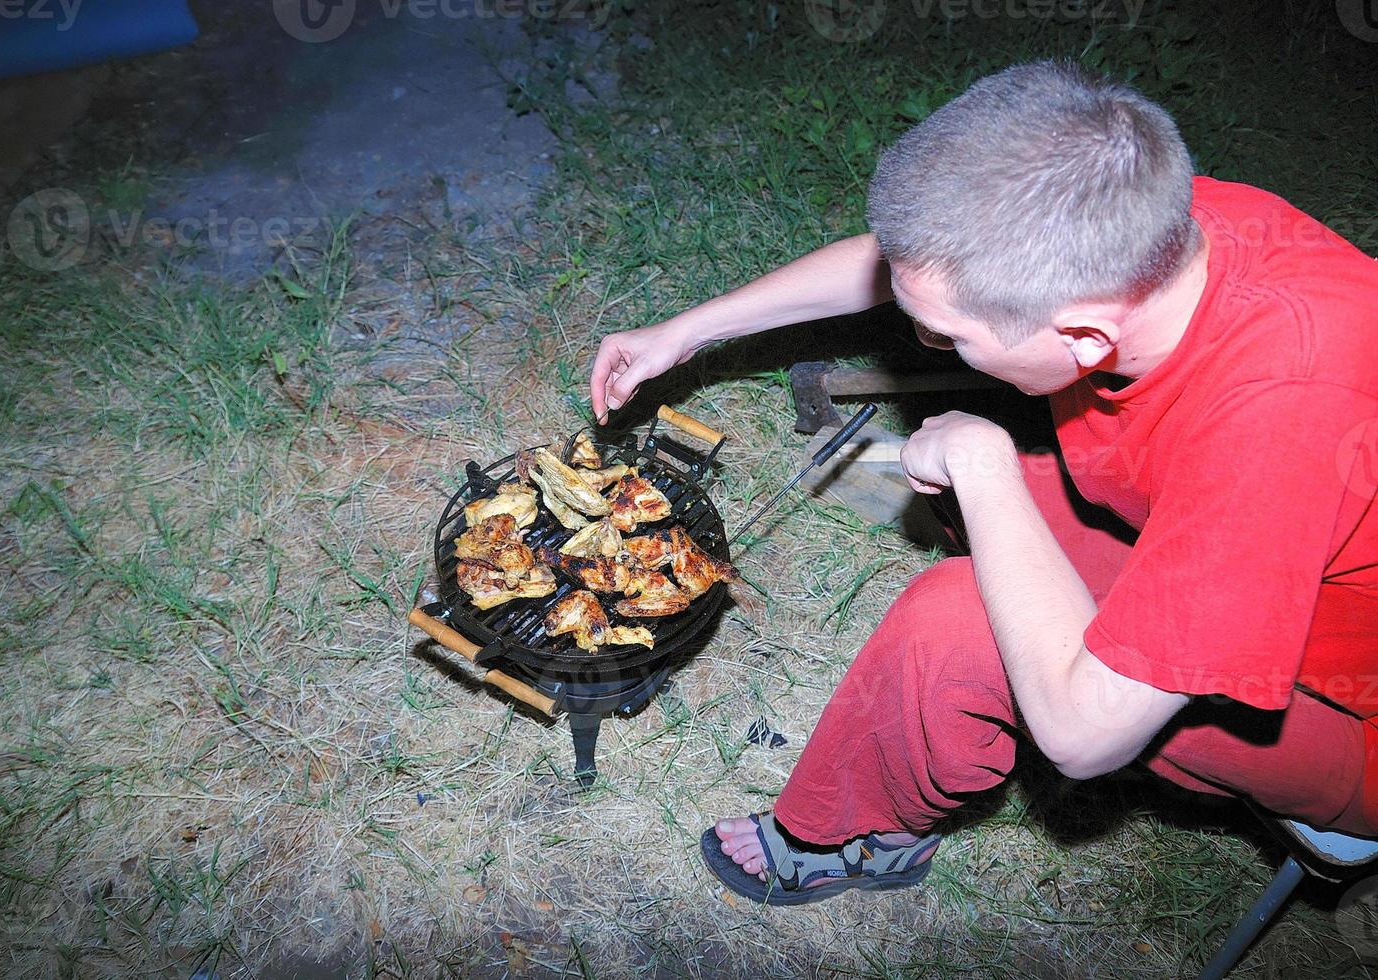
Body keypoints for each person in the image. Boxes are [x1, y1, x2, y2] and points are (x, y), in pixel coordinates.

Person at [587, 60, 1378, 905]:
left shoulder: (1279, 422)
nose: (925, 343)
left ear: (1083, 336)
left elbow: (1082, 737)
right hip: (1252, 548)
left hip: (1342, 707)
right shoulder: (1149, 223)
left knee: (953, 625)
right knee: (1007, 509)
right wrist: (688, 332)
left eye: (947, 339)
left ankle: (858, 838)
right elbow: (919, 264)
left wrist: (984, 462)